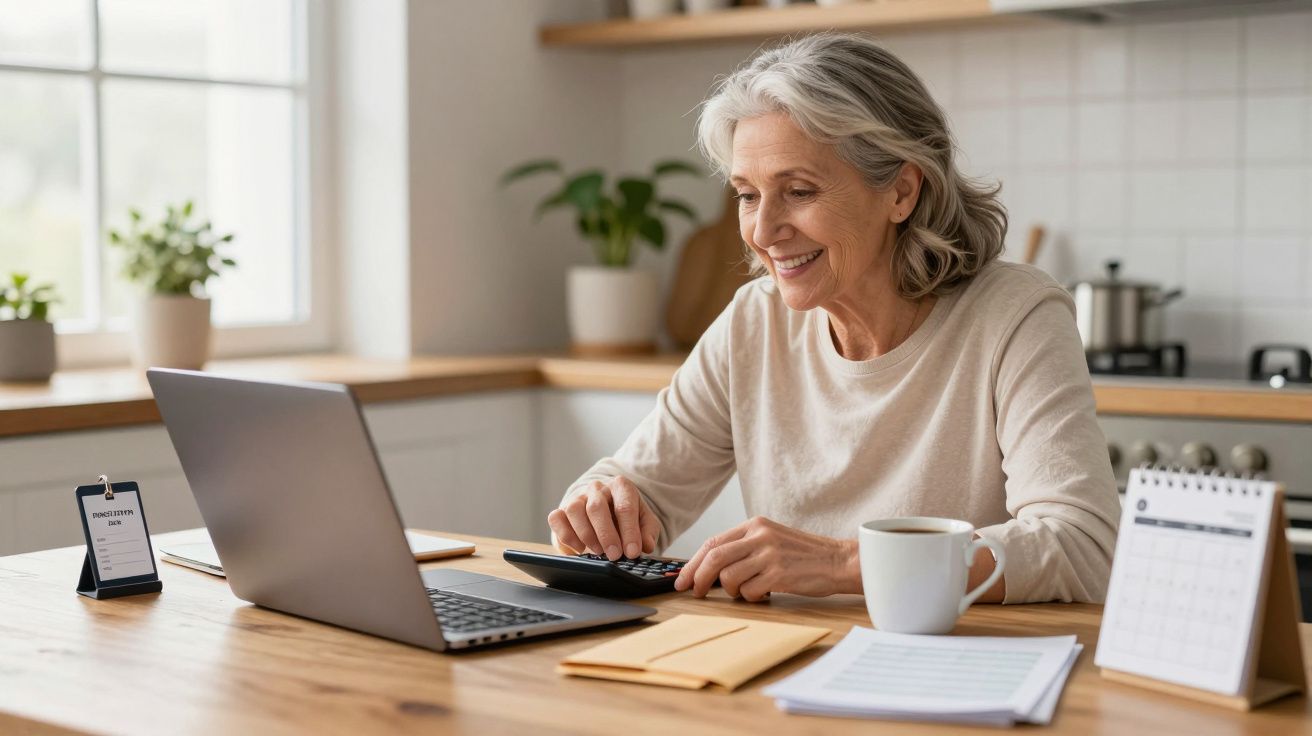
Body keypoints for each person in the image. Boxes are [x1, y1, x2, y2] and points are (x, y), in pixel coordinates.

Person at [548, 33, 1119, 605]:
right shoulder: (755, 320)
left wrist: (849, 563)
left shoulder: (1015, 316)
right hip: (781, 662)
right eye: (747, 195)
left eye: (798, 191)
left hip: (960, 665)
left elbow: (1081, 547)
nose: (764, 232)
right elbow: (641, 487)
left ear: (901, 191)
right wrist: (601, 506)